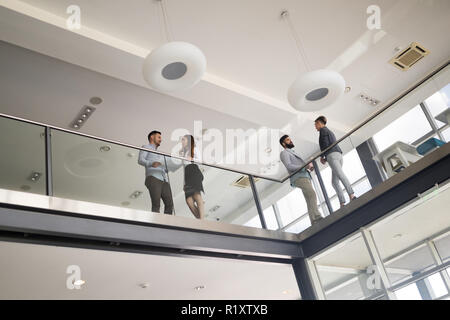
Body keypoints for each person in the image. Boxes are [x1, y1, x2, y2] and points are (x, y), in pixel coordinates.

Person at [279, 135, 323, 225]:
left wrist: (308, 167)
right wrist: (304, 166)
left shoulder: (293, 152)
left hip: (304, 175)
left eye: (290, 139)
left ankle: (313, 220)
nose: (290, 141)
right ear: (283, 144)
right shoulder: (284, 153)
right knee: (312, 194)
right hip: (298, 177)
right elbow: (289, 166)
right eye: (288, 140)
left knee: (309, 198)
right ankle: (317, 217)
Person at [315, 116, 356, 207]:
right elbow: (330, 144)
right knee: (334, 181)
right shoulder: (329, 131)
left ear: (319, 123)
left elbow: (325, 144)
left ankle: (352, 195)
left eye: (315, 124)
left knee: (341, 175)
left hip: (332, 156)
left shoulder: (323, 131)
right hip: (338, 155)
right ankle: (342, 203)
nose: (315, 127)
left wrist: (322, 156)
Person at [138, 130, 174, 214]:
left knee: (169, 204)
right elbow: (140, 160)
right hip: (153, 177)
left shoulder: (160, 153)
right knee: (156, 204)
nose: (160, 139)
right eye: (159, 137)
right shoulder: (146, 147)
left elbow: (163, 166)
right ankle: (156, 225)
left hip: (164, 180)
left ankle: (167, 224)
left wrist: (167, 168)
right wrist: (151, 163)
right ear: (152, 137)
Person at [179, 134, 205, 219]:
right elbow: (184, 169)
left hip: (194, 172)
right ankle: (200, 220)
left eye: (184, 140)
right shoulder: (184, 153)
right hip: (187, 175)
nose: (182, 142)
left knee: (197, 195)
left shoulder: (195, 149)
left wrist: (192, 159)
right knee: (189, 201)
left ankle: (201, 220)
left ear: (188, 141)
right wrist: (184, 183)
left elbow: (200, 161)